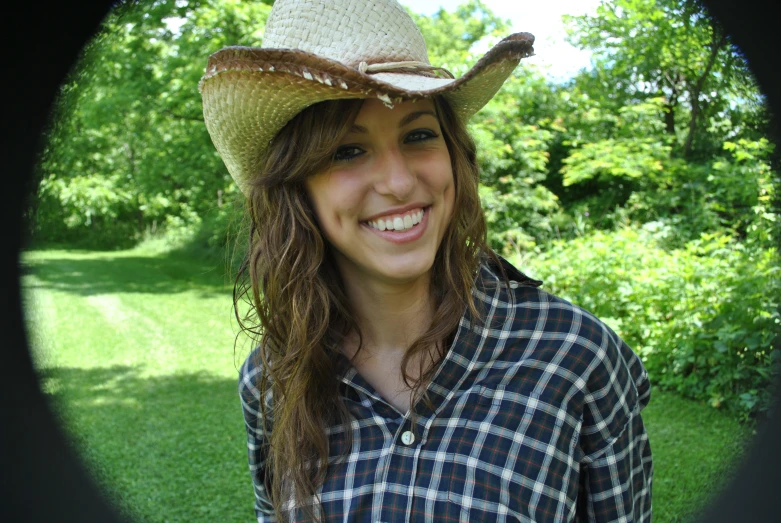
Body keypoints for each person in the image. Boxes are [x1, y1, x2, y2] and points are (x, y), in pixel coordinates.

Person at [199, 0, 653, 521]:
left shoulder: (573, 358)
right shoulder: (272, 378)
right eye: (347, 150)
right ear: (297, 186)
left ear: (455, 156)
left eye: (418, 136)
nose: (398, 182)